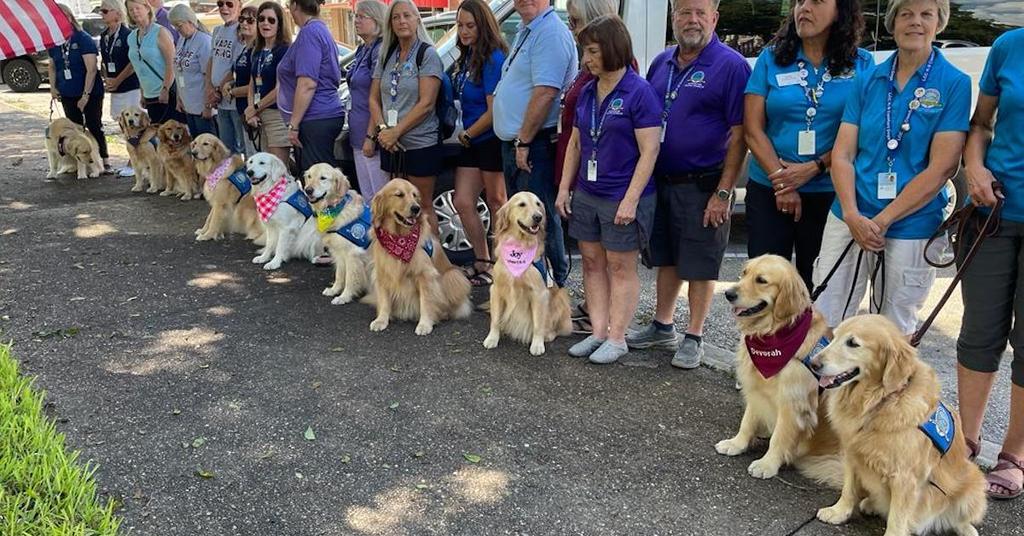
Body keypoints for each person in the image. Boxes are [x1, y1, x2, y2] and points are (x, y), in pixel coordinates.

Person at [811, 0, 969, 337]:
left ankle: (883, 392)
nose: (915, 22)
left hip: (910, 224)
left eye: (926, 15)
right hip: (849, 216)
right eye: (906, 14)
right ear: (893, 22)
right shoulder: (868, 79)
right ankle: (823, 389)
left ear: (938, 23)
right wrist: (853, 215)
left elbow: (942, 168)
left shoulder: (954, 83)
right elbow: (842, 153)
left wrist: (882, 221)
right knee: (825, 317)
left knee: (891, 332)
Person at [626, 0, 750, 369]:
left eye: (700, 13)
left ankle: (694, 334)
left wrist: (723, 192)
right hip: (662, 180)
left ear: (714, 18)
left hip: (705, 184)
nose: (691, 20)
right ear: (673, 18)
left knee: (700, 262)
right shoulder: (660, 62)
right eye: (684, 12)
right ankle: (662, 325)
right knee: (666, 257)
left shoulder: (731, 66)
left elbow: (741, 136)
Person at [743, 0, 872, 291]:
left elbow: (863, 131)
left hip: (830, 192)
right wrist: (784, 183)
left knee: (818, 285)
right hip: (769, 188)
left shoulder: (862, 64)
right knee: (764, 287)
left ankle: (810, 339)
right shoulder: (770, 59)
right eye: (799, 1)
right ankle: (765, 339)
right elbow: (752, 129)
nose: (804, 8)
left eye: (816, 1)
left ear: (841, 10)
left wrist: (814, 168)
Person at [555, 15, 661, 364]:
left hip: (622, 196)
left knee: (619, 266)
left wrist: (631, 200)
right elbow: (574, 144)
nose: (586, 59)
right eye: (585, 51)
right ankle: (598, 331)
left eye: (592, 51)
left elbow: (650, 150)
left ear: (613, 49)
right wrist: (563, 189)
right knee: (590, 261)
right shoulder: (587, 90)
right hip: (588, 191)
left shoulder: (639, 92)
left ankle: (618, 336)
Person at [958, 26, 1024, 500]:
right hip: (994, 213)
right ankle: (965, 444)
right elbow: (980, 125)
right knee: (979, 333)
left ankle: (1014, 455)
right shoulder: (1007, 46)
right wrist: (975, 168)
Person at [493, 0, 578, 288]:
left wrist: (524, 141)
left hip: (534, 142)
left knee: (539, 219)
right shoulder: (528, 29)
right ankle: (526, 284)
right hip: (520, 141)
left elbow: (545, 92)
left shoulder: (550, 32)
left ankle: (555, 288)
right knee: (522, 221)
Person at [555, 0, 621, 332]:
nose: (572, 26)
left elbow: (644, 145)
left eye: (576, 20)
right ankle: (596, 320)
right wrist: (566, 185)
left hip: (611, 181)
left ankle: (609, 325)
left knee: (612, 258)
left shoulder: (624, 74)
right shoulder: (587, 74)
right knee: (591, 257)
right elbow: (578, 136)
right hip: (582, 175)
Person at [368, 0, 444, 233]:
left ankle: (433, 261)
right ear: (390, 23)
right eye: (396, 17)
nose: (402, 21)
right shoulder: (387, 55)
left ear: (417, 19)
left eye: (407, 16)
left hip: (420, 143)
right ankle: (404, 262)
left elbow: (426, 103)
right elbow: (373, 98)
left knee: (421, 206)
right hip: (391, 145)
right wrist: (382, 130)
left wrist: (396, 132)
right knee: (397, 209)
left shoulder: (426, 54)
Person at [452, 0, 508, 286]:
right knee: (462, 201)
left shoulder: (492, 58)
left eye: (470, 25)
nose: (463, 31)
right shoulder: (467, 57)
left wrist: (469, 133)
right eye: (460, 25)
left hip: (487, 139)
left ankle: (504, 265)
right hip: (470, 139)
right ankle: (483, 259)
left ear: (483, 25)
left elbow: (494, 110)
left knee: (498, 202)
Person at [279, 0, 346, 173]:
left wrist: (293, 124)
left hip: (316, 116)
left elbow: (307, 83)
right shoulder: (319, 29)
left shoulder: (310, 33)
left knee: (317, 181)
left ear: (294, 5)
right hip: (322, 114)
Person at [48, 4, 111, 173]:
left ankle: (103, 160)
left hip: (89, 92)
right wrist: (53, 87)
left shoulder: (82, 38)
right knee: (74, 130)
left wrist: (85, 95)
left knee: (93, 125)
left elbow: (91, 69)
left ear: (69, 17)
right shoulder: (54, 42)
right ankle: (77, 164)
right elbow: (52, 66)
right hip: (67, 92)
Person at [349, 0, 388, 198]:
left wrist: (370, 136)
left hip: (370, 135)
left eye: (362, 16)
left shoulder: (379, 51)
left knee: (379, 197)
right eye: (355, 16)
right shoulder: (363, 50)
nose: (356, 20)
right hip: (357, 133)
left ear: (377, 20)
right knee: (367, 197)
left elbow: (378, 96)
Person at [244, 1, 292, 164]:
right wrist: (252, 109)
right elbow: (252, 82)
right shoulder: (256, 50)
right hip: (259, 115)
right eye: (261, 19)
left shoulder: (284, 50)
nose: (265, 23)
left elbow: (280, 90)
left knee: (277, 171)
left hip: (277, 115)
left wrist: (255, 108)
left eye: (271, 20)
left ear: (279, 24)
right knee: (263, 170)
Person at [99, 0, 141, 177]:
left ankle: (135, 162)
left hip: (130, 86)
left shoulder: (127, 34)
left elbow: (133, 62)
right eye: (101, 11)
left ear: (117, 12)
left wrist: (118, 79)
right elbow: (104, 60)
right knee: (122, 125)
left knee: (134, 125)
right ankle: (132, 158)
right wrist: (108, 78)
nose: (102, 14)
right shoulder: (104, 35)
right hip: (115, 87)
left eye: (105, 10)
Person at [127, 0, 181, 124]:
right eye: (131, 10)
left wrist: (166, 88)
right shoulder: (131, 37)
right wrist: (142, 92)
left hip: (166, 92)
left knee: (172, 134)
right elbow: (139, 67)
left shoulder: (160, 32)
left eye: (137, 8)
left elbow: (171, 63)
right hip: (148, 93)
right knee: (158, 133)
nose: (134, 12)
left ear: (147, 8)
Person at [169, 4, 216, 137]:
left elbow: (208, 76)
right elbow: (179, 71)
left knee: (208, 147)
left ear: (190, 21)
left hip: (202, 106)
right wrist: (179, 97)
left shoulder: (204, 41)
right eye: (174, 26)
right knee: (196, 144)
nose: (178, 29)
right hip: (189, 105)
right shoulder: (182, 40)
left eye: (179, 25)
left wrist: (208, 106)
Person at [207, 0, 246, 155]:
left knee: (241, 146)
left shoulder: (241, 30)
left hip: (233, 98)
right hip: (220, 101)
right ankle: (229, 178)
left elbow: (235, 67)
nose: (224, 7)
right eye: (220, 3)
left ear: (239, 5)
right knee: (225, 147)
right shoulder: (217, 31)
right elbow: (212, 60)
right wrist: (209, 87)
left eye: (229, 3)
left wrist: (218, 89)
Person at [225, 4, 258, 155]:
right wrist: (229, 84)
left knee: (257, 159)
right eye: (242, 19)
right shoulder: (245, 48)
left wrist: (233, 91)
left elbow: (257, 85)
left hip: (255, 113)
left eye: (250, 20)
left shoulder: (258, 51)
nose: (244, 23)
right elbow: (241, 76)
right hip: (242, 111)